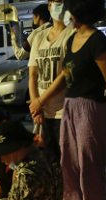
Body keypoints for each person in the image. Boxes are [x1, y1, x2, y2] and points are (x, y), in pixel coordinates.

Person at [36, 0, 106, 200]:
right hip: (69, 106)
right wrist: (41, 100)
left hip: (91, 107)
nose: (67, 13)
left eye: (70, 9)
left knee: (89, 167)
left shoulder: (97, 40)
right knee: (68, 165)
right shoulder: (73, 39)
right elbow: (66, 75)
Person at [28, 0, 76, 162]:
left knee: (67, 162)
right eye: (57, 1)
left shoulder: (72, 35)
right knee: (49, 162)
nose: (60, 5)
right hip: (43, 112)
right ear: (49, 5)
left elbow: (66, 73)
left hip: (63, 112)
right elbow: (33, 74)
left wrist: (39, 101)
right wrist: (36, 105)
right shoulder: (39, 36)